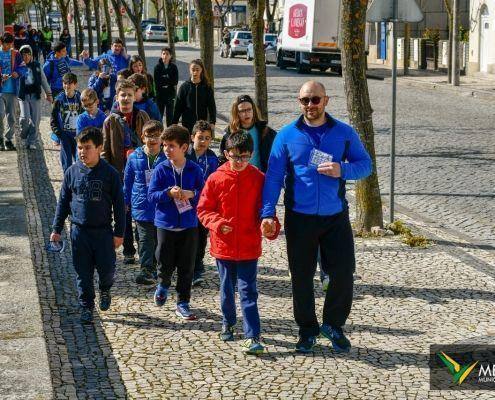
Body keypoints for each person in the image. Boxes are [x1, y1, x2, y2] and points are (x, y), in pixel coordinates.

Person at [260, 81, 372, 354]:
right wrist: (267, 212)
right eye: (305, 100)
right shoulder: (286, 135)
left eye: (315, 100)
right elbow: (274, 177)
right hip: (300, 218)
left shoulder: (343, 133)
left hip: (335, 217)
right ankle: (307, 330)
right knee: (301, 276)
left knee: (344, 274)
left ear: (326, 100)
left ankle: (333, 325)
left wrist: (341, 169)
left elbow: (365, 165)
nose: (310, 105)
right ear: (299, 102)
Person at [197, 133, 279, 355]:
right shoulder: (215, 178)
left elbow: (267, 209)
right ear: (226, 154)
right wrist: (217, 223)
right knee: (226, 289)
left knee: (248, 292)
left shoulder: (259, 178)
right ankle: (228, 320)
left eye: (245, 157)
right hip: (223, 247)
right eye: (235, 157)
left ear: (251, 155)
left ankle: (252, 335)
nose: (240, 162)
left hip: (248, 246)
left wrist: (270, 225)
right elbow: (203, 210)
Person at [50, 127, 126, 324]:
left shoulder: (110, 174)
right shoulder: (72, 172)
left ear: (99, 148)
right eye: (80, 148)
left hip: (103, 233)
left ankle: (105, 289)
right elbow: (63, 202)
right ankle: (86, 307)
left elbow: (119, 206)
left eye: (87, 148)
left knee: (107, 270)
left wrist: (119, 233)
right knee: (83, 275)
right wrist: (56, 229)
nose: (82, 152)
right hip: (79, 233)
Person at [147, 124, 204, 320]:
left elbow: (204, 195)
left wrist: (192, 194)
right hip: (165, 224)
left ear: (184, 148)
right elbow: (151, 195)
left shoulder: (194, 170)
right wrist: (167, 194)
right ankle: (163, 284)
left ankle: (183, 302)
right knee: (164, 260)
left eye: (171, 145)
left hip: (188, 225)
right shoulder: (161, 169)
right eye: (165, 145)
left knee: (186, 266)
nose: (166, 149)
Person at [101, 78, 150, 264]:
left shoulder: (142, 116)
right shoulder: (110, 121)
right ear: (117, 97)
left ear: (135, 97)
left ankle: (144, 247)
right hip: (119, 173)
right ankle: (128, 249)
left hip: (140, 174)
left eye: (130, 95)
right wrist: (108, 175)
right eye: (123, 95)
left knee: (141, 212)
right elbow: (105, 150)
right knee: (124, 212)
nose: (126, 99)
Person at [123, 120, 166, 285]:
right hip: (141, 205)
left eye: (156, 136)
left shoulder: (166, 158)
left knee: (159, 240)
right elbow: (128, 182)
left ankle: (157, 266)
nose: (153, 140)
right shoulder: (134, 157)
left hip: (161, 206)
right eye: (149, 136)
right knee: (145, 239)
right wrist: (125, 201)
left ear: (162, 138)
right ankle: (146, 269)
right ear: (142, 137)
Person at [185, 120, 218, 286]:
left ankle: (197, 268)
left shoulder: (212, 157)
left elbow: (214, 181)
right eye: (200, 137)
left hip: (204, 205)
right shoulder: (185, 154)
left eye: (207, 138)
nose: (203, 141)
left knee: (200, 238)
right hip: (185, 204)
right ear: (192, 137)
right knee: (187, 239)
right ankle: (186, 267)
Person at [219, 94, 276, 172]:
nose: (246, 113)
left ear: (254, 110)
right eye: (242, 111)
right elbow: (223, 157)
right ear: (236, 113)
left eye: (249, 109)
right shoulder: (229, 133)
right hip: (237, 175)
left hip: (260, 175)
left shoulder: (265, 130)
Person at [18, 45, 53, 150]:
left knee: (35, 120)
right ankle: (24, 135)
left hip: (35, 95)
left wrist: (48, 93)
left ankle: (31, 141)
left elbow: (43, 80)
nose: (26, 57)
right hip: (23, 96)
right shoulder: (18, 66)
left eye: (28, 55)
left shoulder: (37, 65)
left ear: (31, 55)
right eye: (24, 55)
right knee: (25, 118)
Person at [172, 59, 216, 134]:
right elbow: (178, 106)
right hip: (187, 123)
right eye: (193, 69)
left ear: (201, 70)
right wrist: (174, 122)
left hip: (202, 124)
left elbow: (211, 105)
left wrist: (212, 122)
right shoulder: (184, 87)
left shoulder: (207, 87)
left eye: (197, 69)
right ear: (189, 70)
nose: (195, 72)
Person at [50, 72, 83, 171]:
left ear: (75, 84)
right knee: (66, 161)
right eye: (65, 83)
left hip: (77, 135)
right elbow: (53, 118)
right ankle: (68, 181)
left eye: (69, 83)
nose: (67, 86)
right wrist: (59, 133)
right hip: (65, 135)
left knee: (79, 160)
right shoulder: (59, 99)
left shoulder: (80, 98)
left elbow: (85, 114)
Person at [0, 32, 25, 152]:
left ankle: (8, 139)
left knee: (12, 117)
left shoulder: (16, 54)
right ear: (2, 43)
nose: (8, 47)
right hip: (1, 90)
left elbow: (23, 67)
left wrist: (18, 72)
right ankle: (0, 139)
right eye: (6, 44)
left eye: (10, 44)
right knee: (0, 115)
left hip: (13, 90)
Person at [153, 47, 178, 126]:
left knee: (170, 115)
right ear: (161, 55)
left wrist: (164, 79)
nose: (165, 56)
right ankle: (159, 131)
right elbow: (157, 81)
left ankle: (169, 132)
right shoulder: (157, 67)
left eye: (167, 54)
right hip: (160, 94)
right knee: (159, 114)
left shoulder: (174, 67)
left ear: (170, 56)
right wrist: (167, 79)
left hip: (170, 94)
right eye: (163, 54)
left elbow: (175, 81)